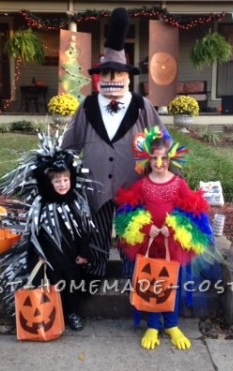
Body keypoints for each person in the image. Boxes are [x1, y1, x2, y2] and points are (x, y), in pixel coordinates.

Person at [61, 7, 165, 278]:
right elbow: (70, 144)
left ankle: (135, 276)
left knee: (133, 234)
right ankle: (95, 276)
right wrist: (60, 170)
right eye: (107, 75)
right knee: (96, 232)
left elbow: (162, 142)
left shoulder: (142, 105)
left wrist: (167, 176)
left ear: (128, 77)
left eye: (118, 75)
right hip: (97, 186)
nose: (113, 80)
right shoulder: (88, 105)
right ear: (99, 78)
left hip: (134, 185)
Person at [115, 127, 221, 350]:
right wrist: (145, 228)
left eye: (164, 158)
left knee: (172, 283)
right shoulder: (143, 184)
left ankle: (172, 324)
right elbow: (127, 212)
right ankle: (153, 324)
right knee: (152, 282)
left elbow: (193, 211)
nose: (159, 163)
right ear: (147, 159)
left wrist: (172, 228)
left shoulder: (178, 183)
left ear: (171, 158)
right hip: (150, 245)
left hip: (172, 246)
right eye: (154, 158)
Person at [0, 133, 98, 332]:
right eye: (57, 181)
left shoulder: (76, 204)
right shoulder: (41, 206)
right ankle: (54, 314)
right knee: (53, 286)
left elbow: (83, 230)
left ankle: (72, 313)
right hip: (49, 258)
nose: (62, 184)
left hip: (72, 257)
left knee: (72, 286)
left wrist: (84, 252)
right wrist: (39, 256)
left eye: (66, 179)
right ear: (48, 183)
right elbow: (34, 234)